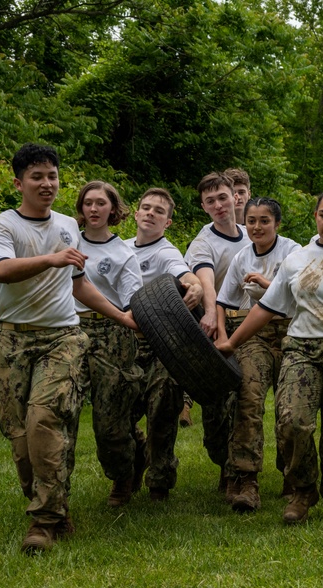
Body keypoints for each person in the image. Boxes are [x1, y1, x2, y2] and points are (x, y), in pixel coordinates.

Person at [0, 143, 137, 554]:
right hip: (12, 343)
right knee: (20, 439)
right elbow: (2, 270)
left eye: (52, 176)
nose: (47, 183)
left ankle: (44, 522)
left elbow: (77, 283)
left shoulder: (69, 225)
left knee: (44, 423)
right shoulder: (2, 226)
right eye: (37, 176)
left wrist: (120, 316)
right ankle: (55, 505)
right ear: (19, 183)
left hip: (62, 339)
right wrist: (48, 262)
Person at [216, 187, 323, 523]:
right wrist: (232, 342)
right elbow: (268, 307)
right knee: (292, 422)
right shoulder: (296, 259)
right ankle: (302, 490)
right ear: (316, 216)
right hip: (302, 349)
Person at [215, 197, 300, 512]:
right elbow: (224, 302)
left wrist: (269, 283)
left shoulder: (293, 252)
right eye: (251, 220)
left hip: (292, 330)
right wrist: (225, 339)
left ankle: (293, 476)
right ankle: (246, 479)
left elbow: (301, 291)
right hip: (254, 335)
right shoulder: (241, 258)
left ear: (277, 224)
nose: (257, 227)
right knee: (248, 399)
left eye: (264, 221)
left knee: (290, 407)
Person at [127, 188, 204, 501]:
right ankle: (133, 461)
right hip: (124, 342)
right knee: (118, 415)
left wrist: (195, 287)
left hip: (162, 343)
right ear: (135, 213)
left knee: (162, 409)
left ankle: (159, 481)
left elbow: (186, 276)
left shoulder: (165, 252)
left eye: (158, 211)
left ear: (168, 222)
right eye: (145, 208)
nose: (150, 213)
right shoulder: (119, 249)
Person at [73, 181, 146, 507]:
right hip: (69, 330)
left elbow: (132, 304)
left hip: (112, 334)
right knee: (60, 412)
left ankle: (124, 473)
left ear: (113, 210)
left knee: (109, 422)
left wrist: (124, 319)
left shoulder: (122, 254)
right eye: (88, 203)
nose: (93, 209)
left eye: (101, 203)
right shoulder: (68, 244)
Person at [183, 172, 249, 497]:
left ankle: (238, 473)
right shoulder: (203, 242)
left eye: (223, 197)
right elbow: (206, 280)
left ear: (235, 197)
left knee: (245, 401)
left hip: (250, 325)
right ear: (204, 207)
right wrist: (211, 313)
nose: (219, 205)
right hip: (216, 326)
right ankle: (222, 460)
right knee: (216, 408)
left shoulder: (253, 236)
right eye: (211, 201)